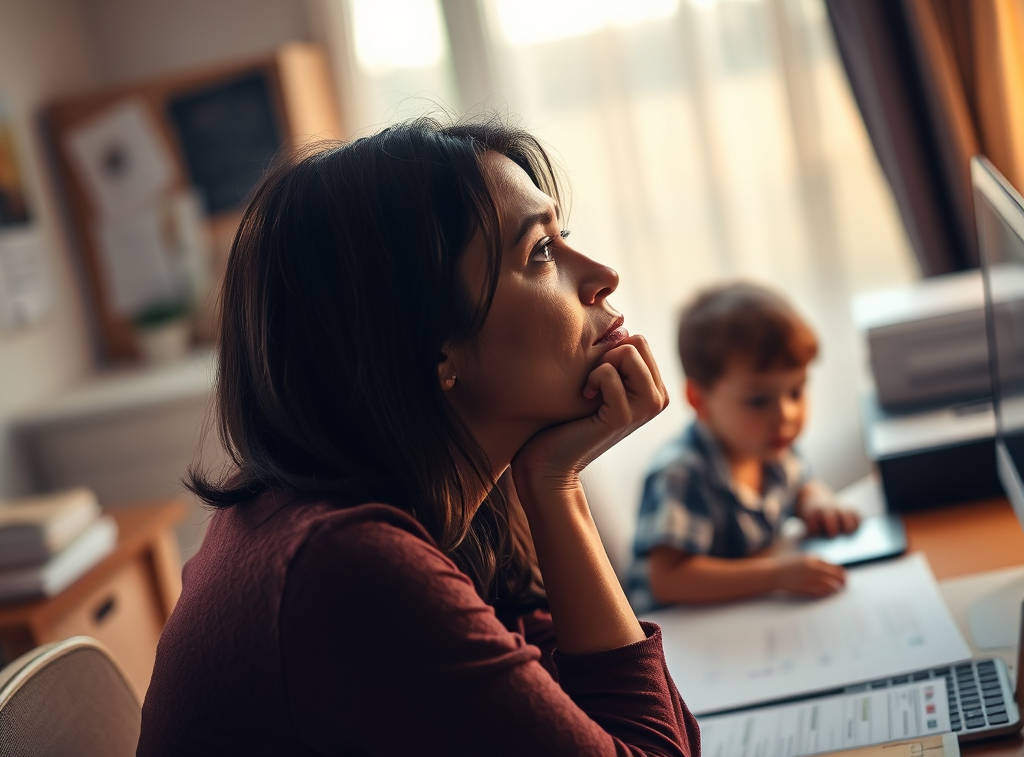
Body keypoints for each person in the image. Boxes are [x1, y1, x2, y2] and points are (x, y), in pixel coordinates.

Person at [136, 117, 701, 756]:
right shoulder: (347, 567)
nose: (602, 274)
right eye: (539, 251)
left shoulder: (436, 496)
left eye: (561, 235)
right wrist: (557, 486)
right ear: (432, 347)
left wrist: (546, 481)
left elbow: (602, 722)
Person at [627, 283, 860, 612]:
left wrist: (818, 501)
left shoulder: (771, 447)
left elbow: (801, 483)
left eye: (796, 392)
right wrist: (777, 575)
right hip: (679, 632)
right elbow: (669, 579)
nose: (786, 415)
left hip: (742, 613)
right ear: (700, 400)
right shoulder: (681, 472)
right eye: (758, 400)